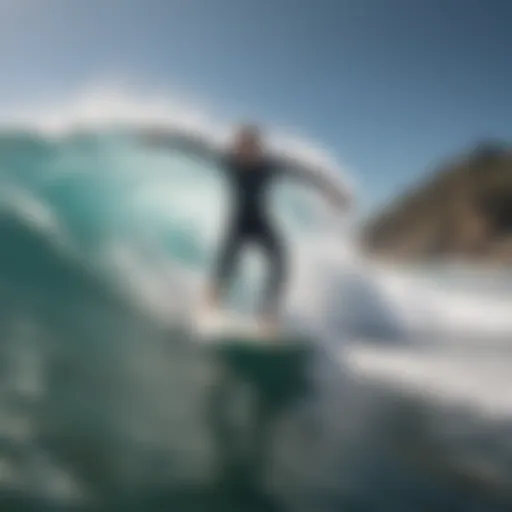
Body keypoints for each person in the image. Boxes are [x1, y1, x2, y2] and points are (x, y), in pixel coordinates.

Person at [143, 123, 352, 335]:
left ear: (258, 148)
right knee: (227, 264)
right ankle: (209, 304)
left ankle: (267, 315)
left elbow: (302, 172)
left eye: (252, 148)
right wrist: (164, 138)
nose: (246, 153)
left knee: (280, 260)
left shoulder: (270, 166)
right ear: (237, 147)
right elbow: (195, 147)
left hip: (260, 222)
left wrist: (331, 190)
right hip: (237, 224)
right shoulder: (228, 160)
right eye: (242, 147)